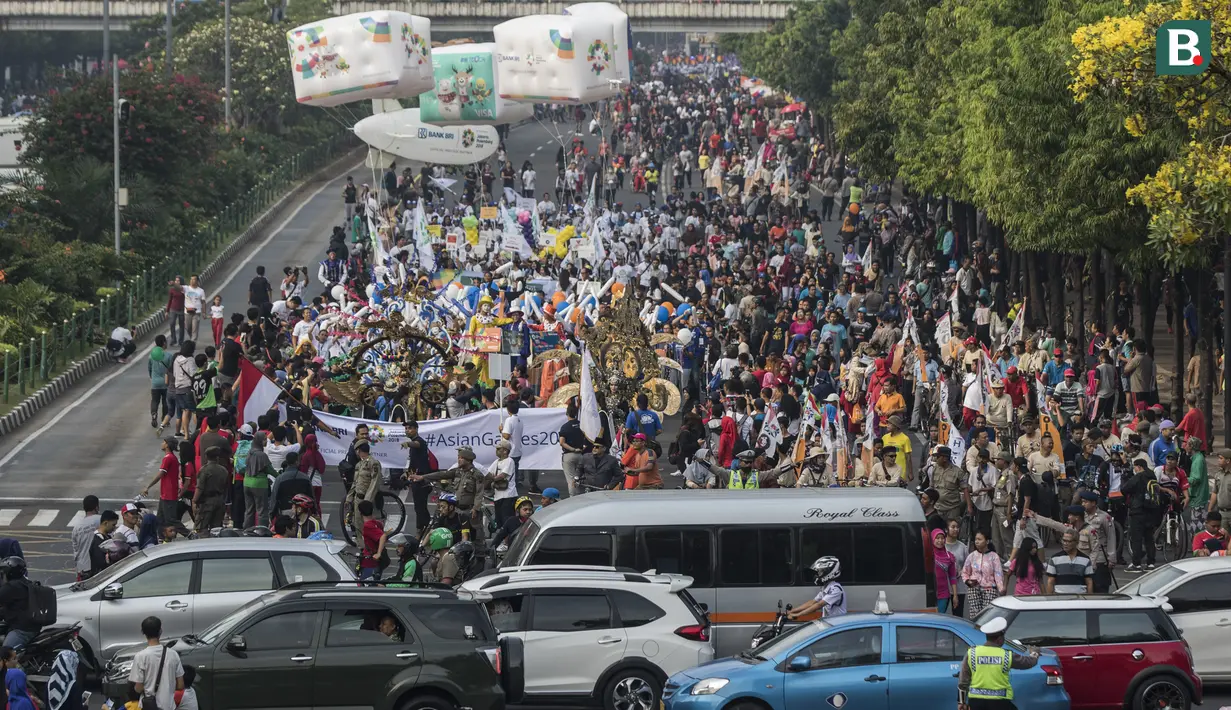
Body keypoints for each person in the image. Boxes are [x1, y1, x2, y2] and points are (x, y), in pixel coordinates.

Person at [957, 616, 1040, 710]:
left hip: (976, 702)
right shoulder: (1006, 655)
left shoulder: (972, 653)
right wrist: (1035, 653)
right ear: (999, 639)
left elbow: (963, 680)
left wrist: (961, 702)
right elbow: (1028, 663)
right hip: (1000, 703)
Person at [129, 616, 184, 710]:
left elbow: (138, 688)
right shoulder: (173, 655)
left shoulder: (140, 656)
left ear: (143, 633)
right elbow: (180, 685)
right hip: (169, 706)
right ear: (160, 631)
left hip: (149, 706)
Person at [961, 531, 1004, 620]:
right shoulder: (972, 556)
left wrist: (1001, 588)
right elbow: (965, 572)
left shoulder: (994, 556)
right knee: (975, 615)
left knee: (988, 616)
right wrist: (967, 581)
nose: (977, 541)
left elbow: (998, 573)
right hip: (974, 589)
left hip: (989, 588)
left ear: (987, 541)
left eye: (980, 539)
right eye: (976, 539)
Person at [0, 557, 38, 650]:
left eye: (3, 572)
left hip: (22, 631)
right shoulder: (26, 583)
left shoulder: (11, 587)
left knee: (5, 657)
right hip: (31, 627)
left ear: (9, 572)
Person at [1044, 525, 1095, 594]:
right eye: (1064, 540)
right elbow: (1050, 581)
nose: (1065, 543)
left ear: (1076, 542)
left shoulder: (1085, 559)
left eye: (1069, 541)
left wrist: (1089, 600)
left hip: (1080, 598)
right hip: (1060, 598)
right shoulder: (1054, 558)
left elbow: (1089, 581)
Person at [71, 495, 101, 581]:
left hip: (83, 567)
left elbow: (76, 550)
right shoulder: (101, 520)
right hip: (98, 567)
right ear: (97, 507)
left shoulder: (77, 527)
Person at [357, 499, 388, 580]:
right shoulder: (377, 523)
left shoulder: (368, 526)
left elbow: (383, 536)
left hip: (370, 563)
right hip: (377, 563)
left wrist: (378, 553)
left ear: (360, 513)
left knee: (366, 587)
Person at [933, 529, 959, 614]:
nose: (940, 541)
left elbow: (952, 577)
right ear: (932, 539)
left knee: (939, 619)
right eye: (937, 538)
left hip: (943, 594)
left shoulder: (949, 557)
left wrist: (955, 595)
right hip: (929, 593)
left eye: (942, 538)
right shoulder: (928, 554)